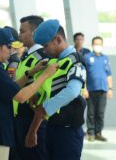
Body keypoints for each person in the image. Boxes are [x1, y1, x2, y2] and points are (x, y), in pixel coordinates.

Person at [0, 27, 58, 160]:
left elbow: (11, 89)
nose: (12, 51)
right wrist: (45, 75)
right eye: (9, 47)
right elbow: (21, 97)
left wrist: (30, 73)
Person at [25, 19, 87, 160]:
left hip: (68, 131)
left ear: (58, 40)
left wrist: (45, 108)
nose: (44, 50)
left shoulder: (76, 60)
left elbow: (72, 91)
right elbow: (47, 93)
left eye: (46, 46)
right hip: (52, 127)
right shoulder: (53, 62)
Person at [12, 15, 48, 160]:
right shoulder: (27, 55)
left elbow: (42, 91)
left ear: (34, 32)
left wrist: (34, 127)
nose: (19, 35)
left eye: (22, 31)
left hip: (32, 118)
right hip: (20, 116)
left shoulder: (42, 57)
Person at [85, 36, 113, 142]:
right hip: (91, 90)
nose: (98, 46)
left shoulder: (105, 58)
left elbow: (109, 74)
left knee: (100, 113)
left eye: (99, 44)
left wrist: (110, 88)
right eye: (96, 44)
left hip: (103, 89)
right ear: (92, 45)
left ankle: (98, 133)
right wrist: (84, 88)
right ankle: (90, 133)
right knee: (91, 113)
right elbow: (83, 74)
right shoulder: (87, 57)